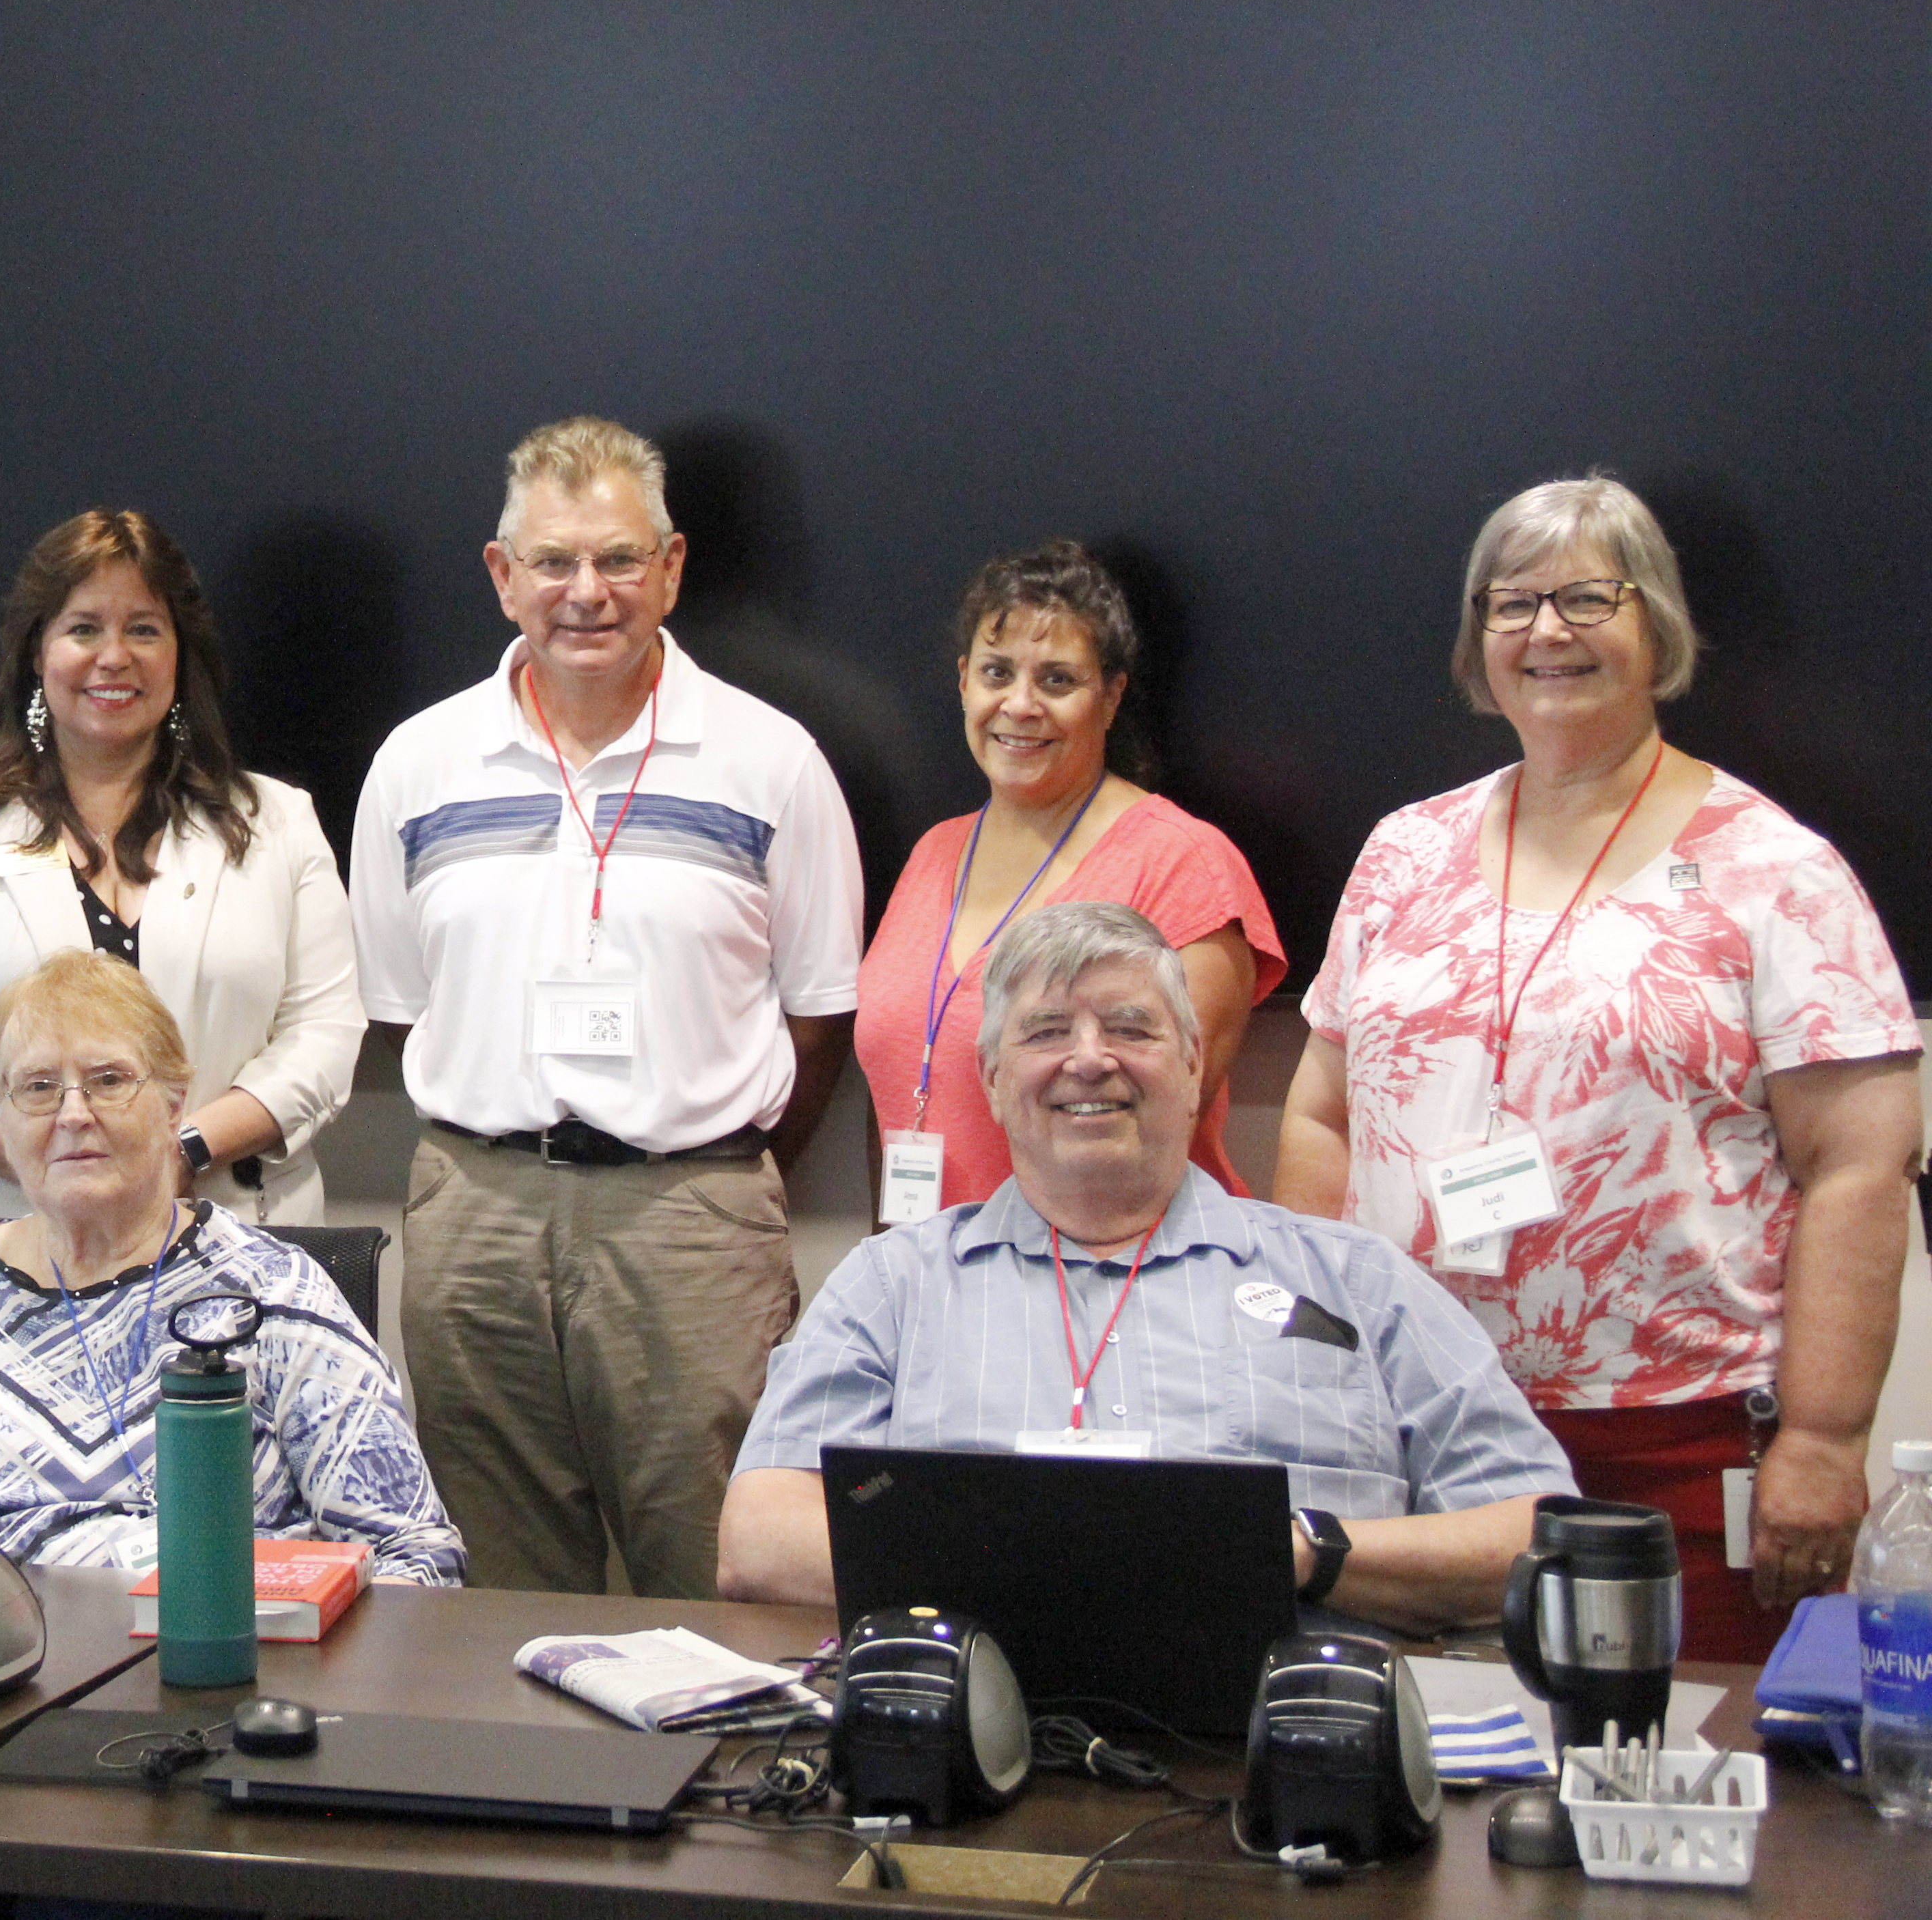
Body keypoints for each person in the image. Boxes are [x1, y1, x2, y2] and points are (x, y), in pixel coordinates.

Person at [1274, 475, 1920, 1662]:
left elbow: (1859, 1167)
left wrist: (1824, 1439)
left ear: (1654, 624)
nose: (1545, 632)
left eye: (1584, 597)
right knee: (1428, 1786)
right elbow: (1318, 1112)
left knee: (1683, 1779)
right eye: (1511, 603)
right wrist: (1326, 1351)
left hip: (1669, 1448)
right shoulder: (1400, 853)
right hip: (1412, 1431)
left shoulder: (1775, 870)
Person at [719, 902, 1578, 1627]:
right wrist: (1067, 1569)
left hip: (1304, 1734)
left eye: (1131, 1028)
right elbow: (759, 1540)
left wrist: (1303, 1553)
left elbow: (1540, 1533)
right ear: (989, 1078)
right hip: (980, 1734)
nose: (1089, 1058)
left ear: (1195, 1061)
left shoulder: (1357, 1279)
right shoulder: (892, 1286)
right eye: (1047, 1032)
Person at [348, 416, 865, 1600]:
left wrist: (712, 1164)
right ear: (500, 576)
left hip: (687, 1216)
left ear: (671, 567)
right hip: (474, 1213)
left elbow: (817, 1015)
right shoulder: (418, 766)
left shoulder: (770, 760)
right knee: (496, 1582)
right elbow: (402, 1005)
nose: (586, 592)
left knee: (719, 1574)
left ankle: (730, 1792)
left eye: (619, 559)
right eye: (552, 561)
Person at [0, 949, 461, 1580]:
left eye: (108, 1080)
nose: (72, 1113)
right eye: (36, 1088)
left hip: (204, 1690)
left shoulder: (273, 1293)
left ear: (173, 1104)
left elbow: (415, 1559)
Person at [0, 510, 365, 1234]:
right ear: (38, 650)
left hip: (235, 1232)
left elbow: (324, 1035)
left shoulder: (279, 822)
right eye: (84, 628)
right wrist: (68, 1174)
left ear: (180, 652)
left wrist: (183, 1152)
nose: (114, 656)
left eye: (145, 629)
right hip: (4, 1238)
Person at [852, 540, 1282, 1213]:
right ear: (964, 680)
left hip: (1110, 1281)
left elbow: (1157, 1124)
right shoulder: (934, 853)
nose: (1020, 705)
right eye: (997, 673)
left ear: (1111, 698)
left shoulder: (1183, 867)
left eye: (1057, 681)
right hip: (936, 1274)